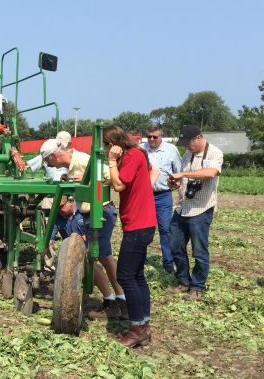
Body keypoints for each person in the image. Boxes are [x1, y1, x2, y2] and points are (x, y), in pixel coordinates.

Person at [42, 139, 127, 318]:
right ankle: (121, 299)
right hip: (91, 213)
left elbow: (110, 176)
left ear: (54, 156)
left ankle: (112, 301)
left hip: (100, 212)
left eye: (48, 161)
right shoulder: (72, 164)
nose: (50, 165)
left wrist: (88, 181)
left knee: (91, 258)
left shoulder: (81, 159)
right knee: (105, 258)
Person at [103, 125, 157, 348]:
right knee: (137, 275)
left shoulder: (133, 156)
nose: (105, 149)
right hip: (142, 222)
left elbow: (119, 184)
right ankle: (143, 324)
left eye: (106, 145)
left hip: (138, 223)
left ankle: (137, 330)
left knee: (125, 276)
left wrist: (112, 162)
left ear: (113, 144)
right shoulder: (137, 155)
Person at [168, 125, 224, 301]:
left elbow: (211, 173)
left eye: (188, 142)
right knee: (175, 245)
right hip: (183, 207)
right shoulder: (187, 154)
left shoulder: (215, 153)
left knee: (199, 250)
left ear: (198, 138)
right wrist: (175, 184)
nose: (186, 146)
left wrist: (183, 174)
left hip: (201, 209)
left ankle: (198, 287)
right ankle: (183, 281)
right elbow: (184, 179)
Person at [142, 123, 182, 273]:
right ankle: (142, 259)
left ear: (161, 135)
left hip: (163, 195)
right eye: (149, 136)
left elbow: (179, 172)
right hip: (145, 195)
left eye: (155, 136)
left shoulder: (171, 150)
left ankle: (168, 262)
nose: (151, 139)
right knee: (144, 228)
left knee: (165, 229)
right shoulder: (141, 149)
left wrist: (177, 187)